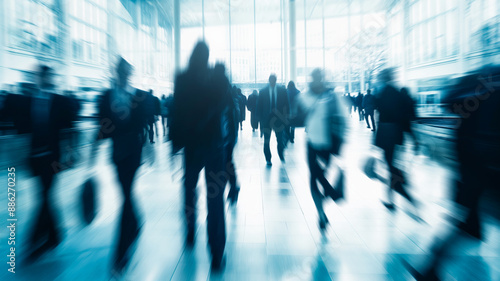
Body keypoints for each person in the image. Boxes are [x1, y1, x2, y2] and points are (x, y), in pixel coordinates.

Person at [404, 65, 500, 280]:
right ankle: (430, 265)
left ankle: (430, 266)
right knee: (469, 224)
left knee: (469, 225)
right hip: (485, 169)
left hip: (468, 167)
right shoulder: (493, 90)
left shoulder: (476, 86)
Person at [0, 65, 80, 260]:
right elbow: (7, 115)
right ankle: (55, 235)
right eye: (40, 75)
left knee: (44, 194)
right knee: (45, 195)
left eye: (46, 75)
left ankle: (34, 241)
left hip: (54, 157)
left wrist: (71, 151)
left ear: (50, 77)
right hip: (35, 156)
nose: (43, 78)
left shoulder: (61, 101)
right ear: (37, 78)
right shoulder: (27, 101)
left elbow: (70, 128)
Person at [170, 41, 229, 270]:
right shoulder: (217, 78)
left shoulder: (182, 78)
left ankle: (190, 231)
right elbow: (223, 105)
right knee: (215, 199)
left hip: (192, 146)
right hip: (214, 145)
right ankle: (216, 252)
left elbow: (176, 110)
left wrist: (174, 143)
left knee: (189, 189)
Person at [90, 57, 152, 273]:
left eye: (126, 71)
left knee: (125, 194)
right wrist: (93, 153)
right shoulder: (107, 96)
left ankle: (121, 251)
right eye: (121, 71)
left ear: (129, 73)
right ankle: (135, 222)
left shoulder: (138, 96)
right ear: (117, 72)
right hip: (117, 153)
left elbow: (143, 125)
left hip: (132, 153)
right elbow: (101, 125)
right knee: (126, 193)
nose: (124, 74)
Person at [294, 69, 346, 231]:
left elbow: (342, 119)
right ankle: (321, 212)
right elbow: (297, 117)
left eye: (319, 78)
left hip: (328, 144)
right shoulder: (305, 96)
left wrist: (341, 141)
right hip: (312, 143)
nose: (317, 80)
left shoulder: (331, 96)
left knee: (321, 175)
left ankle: (329, 197)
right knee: (315, 176)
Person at [374, 68, 418, 212]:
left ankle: (400, 190)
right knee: (391, 165)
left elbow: (381, 115)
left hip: (386, 134)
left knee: (391, 166)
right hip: (395, 133)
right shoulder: (397, 93)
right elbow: (405, 118)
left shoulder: (381, 93)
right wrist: (413, 138)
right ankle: (394, 194)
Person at [214, 63, 240, 205]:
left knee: (222, 164)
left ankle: (230, 189)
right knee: (228, 162)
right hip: (228, 135)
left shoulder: (215, 87)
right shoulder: (228, 89)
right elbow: (232, 114)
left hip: (221, 136)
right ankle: (233, 188)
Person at [256, 74, 289, 165]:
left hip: (279, 120)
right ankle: (268, 158)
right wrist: (259, 120)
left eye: (274, 81)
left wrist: (286, 117)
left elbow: (286, 104)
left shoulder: (282, 91)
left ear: (276, 80)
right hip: (266, 120)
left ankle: (280, 153)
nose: (272, 82)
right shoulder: (263, 92)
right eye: (271, 81)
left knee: (280, 139)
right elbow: (259, 106)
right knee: (267, 140)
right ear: (269, 80)